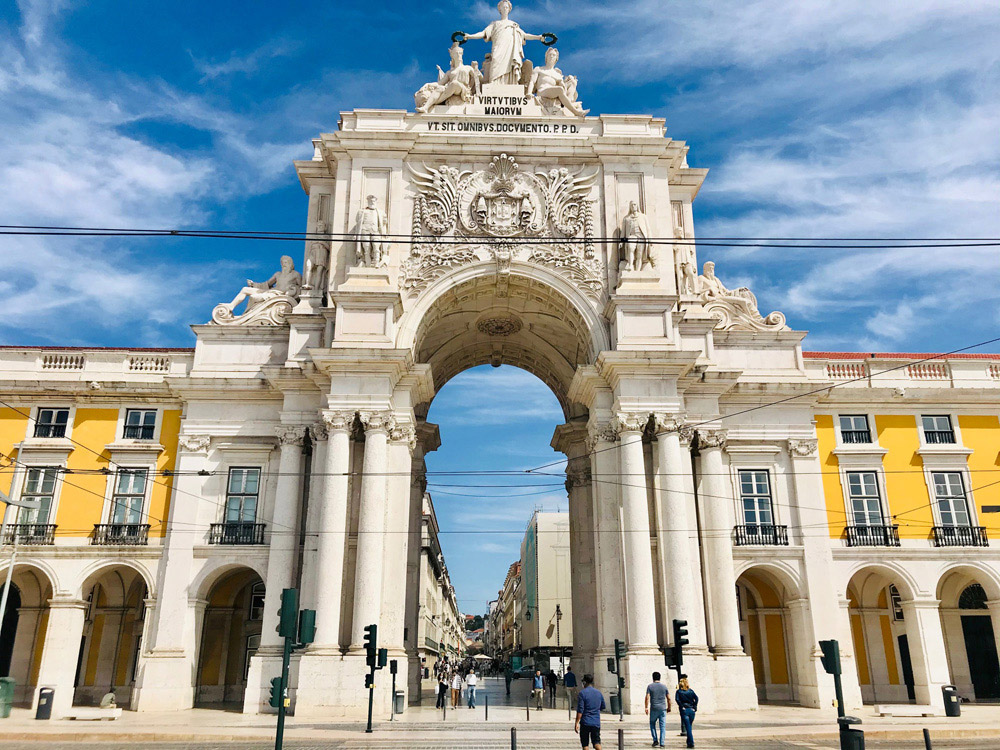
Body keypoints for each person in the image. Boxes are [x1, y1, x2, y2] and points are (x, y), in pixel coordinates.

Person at [575, 673, 605, 750]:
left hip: (585, 722)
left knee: (585, 744)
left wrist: (576, 722)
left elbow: (580, 710)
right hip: (596, 722)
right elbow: (602, 706)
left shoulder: (582, 693)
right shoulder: (599, 693)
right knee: (597, 742)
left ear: (584, 682)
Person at [644, 671, 672, 747]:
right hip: (663, 708)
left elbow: (647, 697)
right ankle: (662, 742)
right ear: (660, 677)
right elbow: (669, 698)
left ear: (652, 678)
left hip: (654, 708)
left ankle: (655, 740)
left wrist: (646, 707)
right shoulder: (664, 686)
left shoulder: (650, 686)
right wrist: (669, 707)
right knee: (662, 726)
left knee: (652, 723)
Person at [675, 677, 698, 749]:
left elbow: (677, 700)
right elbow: (696, 698)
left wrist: (682, 706)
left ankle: (691, 743)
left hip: (684, 710)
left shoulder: (679, 692)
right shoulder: (691, 691)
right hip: (691, 710)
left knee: (688, 727)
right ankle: (689, 742)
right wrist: (694, 706)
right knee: (689, 727)